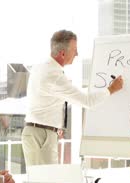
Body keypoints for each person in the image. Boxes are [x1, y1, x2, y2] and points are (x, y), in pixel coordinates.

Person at [22, 29, 124, 167]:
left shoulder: (42, 67)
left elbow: (50, 101)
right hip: (42, 135)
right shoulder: (54, 76)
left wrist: (56, 128)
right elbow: (88, 101)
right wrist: (111, 89)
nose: (77, 53)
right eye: (74, 49)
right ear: (63, 53)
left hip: (40, 132)